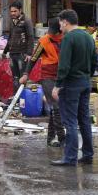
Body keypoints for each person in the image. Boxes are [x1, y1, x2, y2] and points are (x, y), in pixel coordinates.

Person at [51, 9, 97, 166]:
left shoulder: (68, 39)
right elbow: (95, 62)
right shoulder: (88, 37)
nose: (60, 26)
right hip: (85, 83)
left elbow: (64, 65)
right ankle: (88, 155)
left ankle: (70, 158)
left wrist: (57, 86)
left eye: (60, 23)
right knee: (84, 120)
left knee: (69, 121)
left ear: (65, 21)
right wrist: (87, 77)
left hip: (71, 84)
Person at [19, 18, 65, 147]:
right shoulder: (44, 41)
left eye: (54, 32)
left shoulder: (65, 38)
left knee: (56, 108)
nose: (51, 34)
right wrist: (25, 74)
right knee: (56, 105)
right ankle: (62, 138)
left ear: (60, 31)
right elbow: (33, 59)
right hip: (47, 77)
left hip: (61, 76)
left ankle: (50, 138)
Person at [3, 1, 34, 93]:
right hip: (13, 53)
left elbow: (31, 37)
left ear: (20, 10)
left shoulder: (26, 21)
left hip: (22, 53)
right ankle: (16, 100)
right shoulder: (13, 21)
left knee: (22, 78)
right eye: (11, 11)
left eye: (15, 11)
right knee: (15, 78)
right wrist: (5, 52)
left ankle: (23, 99)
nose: (12, 13)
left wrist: (29, 53)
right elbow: (10, 37)